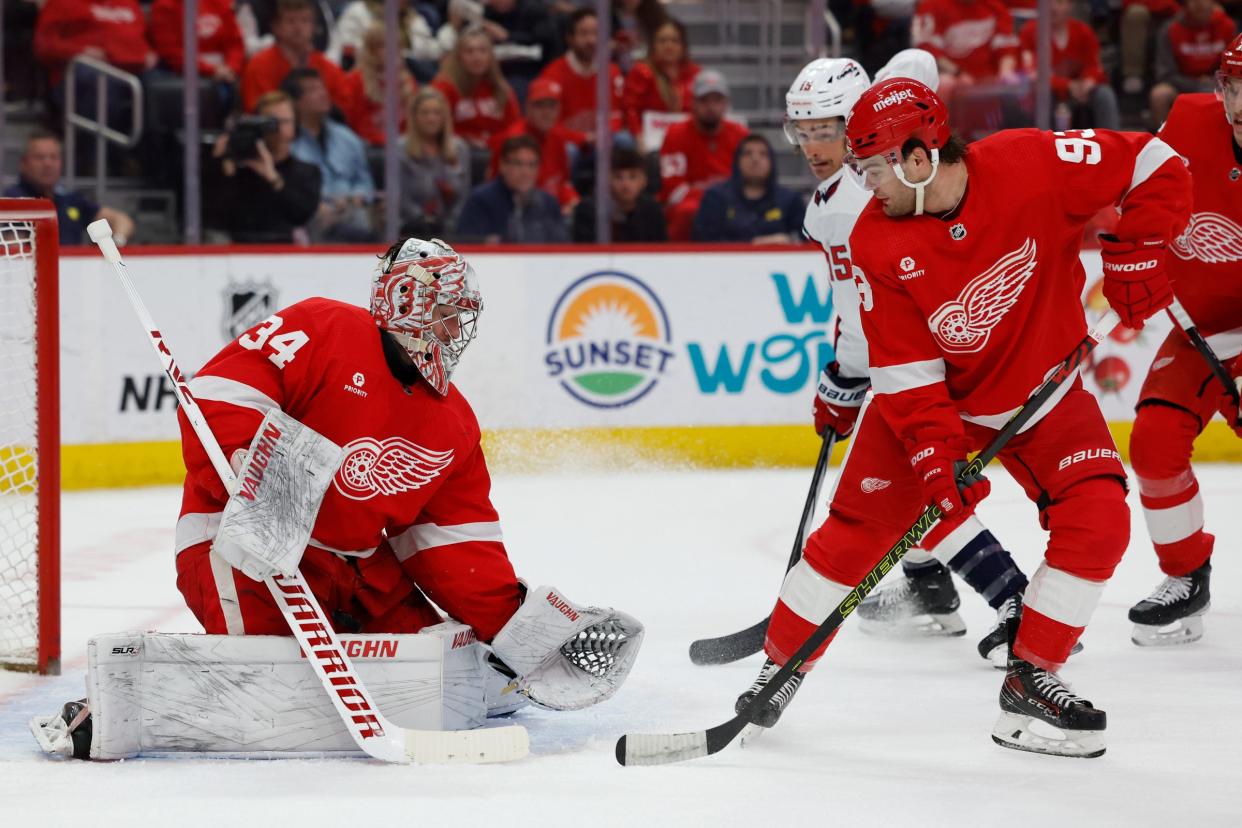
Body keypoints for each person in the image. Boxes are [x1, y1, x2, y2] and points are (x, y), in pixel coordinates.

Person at [737, 76, 1191, 758]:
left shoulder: (1032, 163)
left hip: (1044, 395)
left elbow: (1159, 162)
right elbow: (907, 374)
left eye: (872, 168)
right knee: (857, 532)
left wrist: (1145, 243)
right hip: (939, 406)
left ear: (918, 158)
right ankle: (779, 667)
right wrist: (935, 453)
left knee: (1100, 516)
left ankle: (1031, 680)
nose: (867, 186)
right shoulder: (875, 241)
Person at [167, 237, 642, 731]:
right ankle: (138, 703)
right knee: (270, 688)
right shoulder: (322, 327)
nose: (458, 330)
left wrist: (518, 627)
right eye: (449, 312)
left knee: (454, 675)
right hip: (237, 542)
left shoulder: (453, 421)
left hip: (357, 574)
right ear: (405, 300)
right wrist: (259, 475)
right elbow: (221, 397)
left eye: (463, 316)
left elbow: (457, 544)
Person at [765, 51, 1034, 667]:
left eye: (828, 130)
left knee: (907, 487)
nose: (813, 146)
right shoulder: (891, 164)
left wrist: (844, 377)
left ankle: (1011, 596)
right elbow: (920, 61)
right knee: (911, 482)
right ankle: (928, 586)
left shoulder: (844, 208)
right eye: (802, 132)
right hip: (941, 348)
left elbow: (862, 315)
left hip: (909, 363)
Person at [1126, 34, 1242, 647]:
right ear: (1219, 89)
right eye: (1235, 88)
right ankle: (1185, 574)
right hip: (1199, 332)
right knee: (1152, 443)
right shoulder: (1190, 121)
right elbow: (1138, 191)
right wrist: (1135, 247)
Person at [213, 90, 322, 243]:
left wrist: (273, 178)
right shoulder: (241, 169)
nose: (276, 128)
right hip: (239, 248)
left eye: (283, 121)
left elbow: (301, 215)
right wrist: (225, 166)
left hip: (285, 249)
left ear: (295, 126)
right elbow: (217, 216)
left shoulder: (307, 172)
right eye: (270, 122)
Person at [287, 68, 377, 242]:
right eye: (313, 90)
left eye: (322, 88)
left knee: (364, 223)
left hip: (351, 209)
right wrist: (316, 203)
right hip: (314, 215)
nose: (322, 94)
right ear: (297, 102)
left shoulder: (347, 137)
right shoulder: (290, 142)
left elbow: (364, 179)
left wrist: (359, 195)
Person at [658, 69, 749, 241]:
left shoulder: (740, 135)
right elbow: (672, 187)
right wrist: (711, 196)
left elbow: (748, 180)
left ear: (726, 104)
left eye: (717, 100)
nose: (711, 107)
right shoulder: (675, 135)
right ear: (692, 102)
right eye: (704, 100)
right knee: (688, 211)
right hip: (691, 205)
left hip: (732, 201)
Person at [4, 130, 135, 246]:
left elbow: (122, 220)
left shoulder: (69, 198)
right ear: (23, 163)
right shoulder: (13, 201)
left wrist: (116, 242)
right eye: (40, 157)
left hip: (73, 269)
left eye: (53, 157)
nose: (48, 163)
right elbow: (14, 250)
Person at [1018, 0, 1119, 131]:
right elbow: (1031, 74)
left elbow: (1095, 66)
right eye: (1049, 3)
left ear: (1070, 6)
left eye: (1059, 2)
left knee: (1104, 94)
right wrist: (1068, 85)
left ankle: (1112, 143)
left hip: (1079, 92)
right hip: (1048, 93)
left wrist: (1088, 82)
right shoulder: (1029, 32)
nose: (1053, 8)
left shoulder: (1083, 31)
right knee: (1041, 94)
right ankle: (1041, 145)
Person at [487, 78, 583, 212]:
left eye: (552, 106)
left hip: (550, 209)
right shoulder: (514, 140)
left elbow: (562, 183)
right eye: (540, 106)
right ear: (527, 107)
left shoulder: (557, 135)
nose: (547, 112)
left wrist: (573, 201)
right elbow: (502, 191)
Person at [455, 134, 569, 243]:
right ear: (503, 165)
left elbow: (562, 249)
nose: (526, 172)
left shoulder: (548, 203)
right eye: (518, 164)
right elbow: (469, 246)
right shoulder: (481, 200)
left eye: (532, 165)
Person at [692, 134, 805, 243]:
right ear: (737, 161)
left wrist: (788, 240)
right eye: (747, 153)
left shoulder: (791, 200)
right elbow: (704, 241)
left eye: (763, 154)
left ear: (772, 162)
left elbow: (806, 239)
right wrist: (753, 244)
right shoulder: (715, 198)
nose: (755, 159)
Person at [241, 0, 349, 113]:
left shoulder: (328, 68)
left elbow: (344, 108)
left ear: (314, 26)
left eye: (305, 21)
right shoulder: (259, 66)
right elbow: (257, 110)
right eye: (290, 21)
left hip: (322, 126)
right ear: (276, 27)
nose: (298, 28)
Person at [534, 8, 624, 138]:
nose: (591, 40)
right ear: (570, 38)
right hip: (568, 142)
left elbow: (617, 115)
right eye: (584, 33)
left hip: (604, 140)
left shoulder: (612, 72)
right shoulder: (552, 74)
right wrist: (582, 138)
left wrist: (604, 134)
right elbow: (548, 123)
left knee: (623, 141)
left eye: (596, 33)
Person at [431, 25, 521, 152]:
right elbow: (434, 128)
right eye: (469, 51)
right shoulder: (443, 88)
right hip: (457, 154)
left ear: (490, 57)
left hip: (498, 154)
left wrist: (492, 143)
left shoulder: (501, 88)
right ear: (459, 57)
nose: (477, 57)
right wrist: (465, 140)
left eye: (482, 51)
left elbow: (515, 126)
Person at [1149, 0, 1238, 128]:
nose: (1199, 4)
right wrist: (1197, 83)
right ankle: (1163, 142)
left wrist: (1214, 81)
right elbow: (1165, 73)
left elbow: (1235, 67)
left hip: (1219, 84)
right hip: (1182, 85)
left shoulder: (1228, 26)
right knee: (1159, 94)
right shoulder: (1170, 29)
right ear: (1185, 3)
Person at [399, 87, 472, 237]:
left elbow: (464, 195)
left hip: (452, 230)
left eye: (437, 113)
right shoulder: (399, 150)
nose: (431, 118)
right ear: (414, 116)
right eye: (425, 113)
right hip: (410, 230)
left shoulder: (460, 149)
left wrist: (450, 224)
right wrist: (423, 222)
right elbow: (400, 197)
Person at [33, 0, 154, 87]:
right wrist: (80, 51)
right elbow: (44, 46)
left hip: (134, 66)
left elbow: (146, 38)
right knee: (103, 83)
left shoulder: (129, 3)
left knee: (162, 84)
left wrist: (150, 52)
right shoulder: (61, 3)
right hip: (89, 68)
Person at [621, 17, 700, 146]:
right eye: (662, 41)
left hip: (688, 138)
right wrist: (639, 137)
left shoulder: (695, 73)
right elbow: (630, 109)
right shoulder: (641, 72)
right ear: (653, 45)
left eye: (674, 41)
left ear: (683, 46)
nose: (668, 46)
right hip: (647, 137)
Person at [340, 23, 419, 146]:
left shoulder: (407, 80)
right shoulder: (355, 81)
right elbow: (357, 126)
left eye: (396, 46)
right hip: (370, 145)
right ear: (370, 50)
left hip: (401, 145)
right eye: (384, 46)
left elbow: (413, 124)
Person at [571, 145, 667, 242]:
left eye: (633, 177)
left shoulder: (653, 211)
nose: (625, 185)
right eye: (618, 177)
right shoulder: (589, 211)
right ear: (607, 180)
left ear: (644, 180)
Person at [149, 0, 245, 84]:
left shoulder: (219, 2)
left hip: (226, 71)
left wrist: (232, 66)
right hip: (186, 74)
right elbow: (171, 52)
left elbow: (235, 42)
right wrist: (212, 70)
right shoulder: (164, 5)